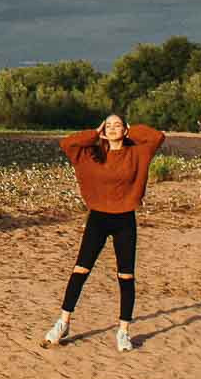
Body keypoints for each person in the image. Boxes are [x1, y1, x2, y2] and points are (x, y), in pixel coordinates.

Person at [41, 113, 166, 352]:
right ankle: (63, 323)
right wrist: (93, 134)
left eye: (117, 125)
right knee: (81, 270)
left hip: (125, 219)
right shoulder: (91, 154)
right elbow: (67, 144)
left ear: (125, 129)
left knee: (126, 276)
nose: (112, 128)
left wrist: (132, 130)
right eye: (108, 125)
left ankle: (123, 332)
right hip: (98, 218)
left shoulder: (138, 153)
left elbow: (157, 137)